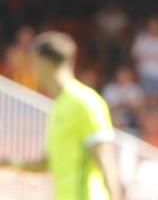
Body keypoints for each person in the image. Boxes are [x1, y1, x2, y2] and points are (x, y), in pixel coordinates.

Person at [0, 31, 123, 200]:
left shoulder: (85, 102)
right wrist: (9, 162)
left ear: (45, 63)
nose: (33, 69)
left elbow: (106, 161)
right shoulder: (59, 106)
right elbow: (46, 163)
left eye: (34, 62)